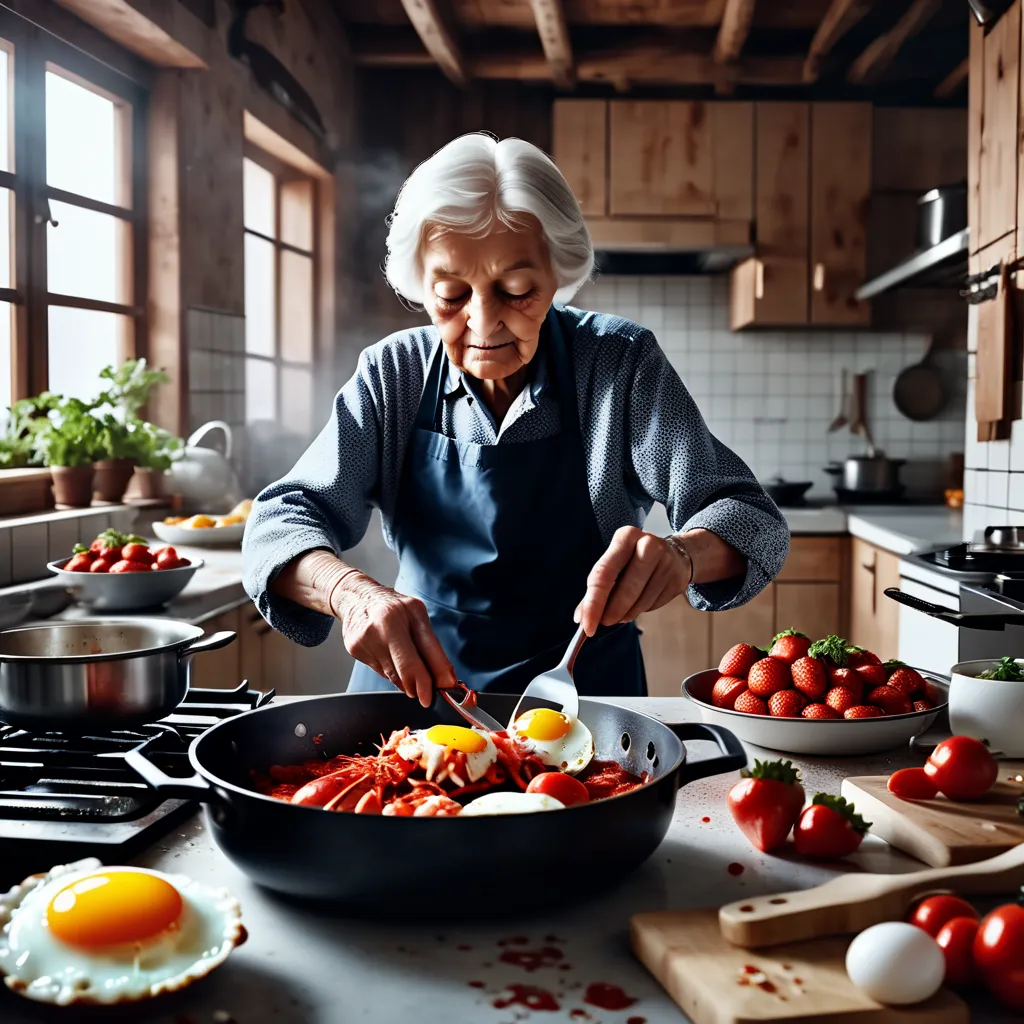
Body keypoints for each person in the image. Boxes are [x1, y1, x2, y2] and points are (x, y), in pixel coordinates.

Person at [242, 133, 789, 707]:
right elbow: (278, 522)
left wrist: (683, 556)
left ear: (558, 273)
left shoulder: (618, 364)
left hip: (582, 700)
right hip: (410, 695)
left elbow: (753, 521)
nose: (483, 323)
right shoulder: (393, 373)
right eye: (451, 295)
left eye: (517, 291)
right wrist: (351, 594)